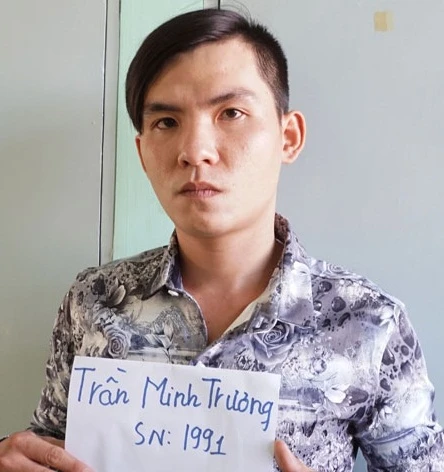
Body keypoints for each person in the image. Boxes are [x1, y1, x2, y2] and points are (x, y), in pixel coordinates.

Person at [0, 8, 442, 472]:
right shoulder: (93, 300)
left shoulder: (368, 323)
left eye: (231, 113)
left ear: (288, 137)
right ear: (143, 154)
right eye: (166, 122)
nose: (195, 151)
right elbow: (46, 448)